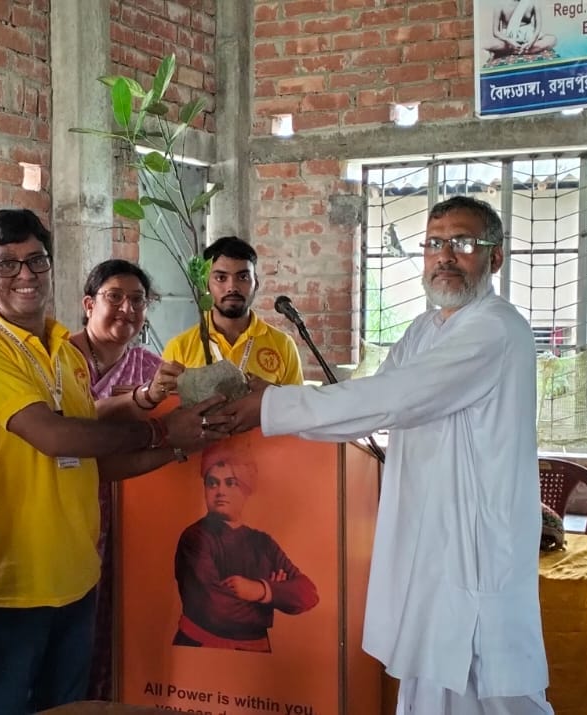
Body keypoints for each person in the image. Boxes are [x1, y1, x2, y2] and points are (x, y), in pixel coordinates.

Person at [213, 196, 553, 713]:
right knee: (430, 685)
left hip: (477, 548)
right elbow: (372, 404)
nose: (445, 256)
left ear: (496, 257)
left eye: (462, 243)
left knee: (494, 692)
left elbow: (393, 399)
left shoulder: (495, 327)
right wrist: (274, 399)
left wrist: (273, 405)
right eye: (434, 243)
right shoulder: (425, 329)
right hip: (431, 541)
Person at [0, 209, 232, 713]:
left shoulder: (63, 352)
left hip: (75, 577)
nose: (26, 275)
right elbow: (55, 437)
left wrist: (177, 447)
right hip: (7, 587)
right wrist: (162, 429)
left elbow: (92, 461)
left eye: (36, 260)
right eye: (6, 264)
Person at [66, 258, 183, 700]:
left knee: (118, 623)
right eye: (114, 297)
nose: (127, 309)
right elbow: (71, 423)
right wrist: (142, 400)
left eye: (137, 300)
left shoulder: (153, 367)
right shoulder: (59, 358)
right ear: (88, 304)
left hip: (132, 518)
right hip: (67, 510)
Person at [173, 444, 319, 653]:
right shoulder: (195, 538)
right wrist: (274, 598)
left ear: (246, 489)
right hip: (201, 650)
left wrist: (260, 590)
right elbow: (214, 609)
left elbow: (308, 593)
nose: (220, 491)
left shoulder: (263, 543)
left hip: (257, 655)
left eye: (230, 483)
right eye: (212, 483)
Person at [161, 236, 305, 386]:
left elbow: (296, 401)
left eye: (243, 277)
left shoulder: (283, 345)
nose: (232, 287)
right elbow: (167, 399)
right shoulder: (180, 348)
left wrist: (269, 392)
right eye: (221, 278)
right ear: (206, 284)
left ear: (256, 283)